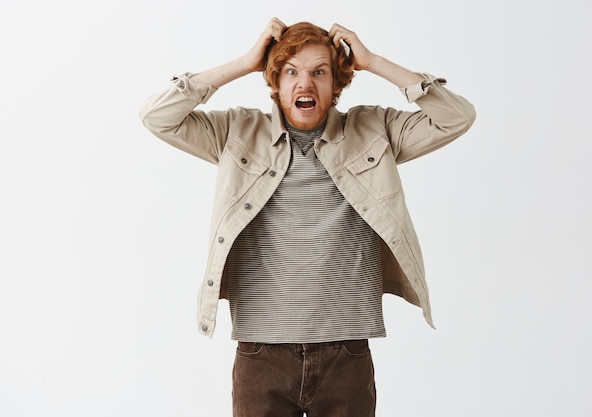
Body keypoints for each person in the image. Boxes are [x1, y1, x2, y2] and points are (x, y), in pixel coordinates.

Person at [139, 17, 475, 417]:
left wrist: (372, 61)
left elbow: (456, 116)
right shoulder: (236, 132)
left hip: (346, 350)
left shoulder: (374, 130)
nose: (305, 84)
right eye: (291, 73)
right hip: (260, 352)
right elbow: (157, 116)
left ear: (337, 84)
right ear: (275, 82)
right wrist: (246, 62)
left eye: (319, 72)